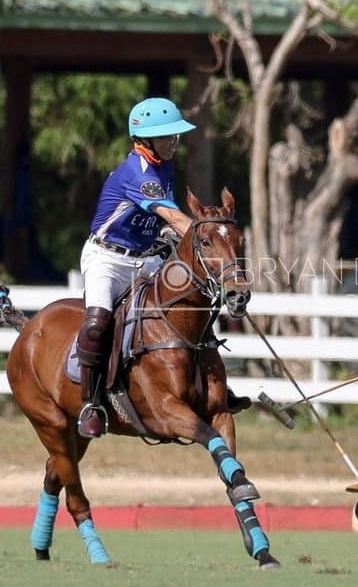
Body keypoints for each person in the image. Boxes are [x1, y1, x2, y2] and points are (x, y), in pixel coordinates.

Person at [75, 96, 249, 439]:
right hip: (108, 259)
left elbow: (160, 220)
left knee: (194, 302)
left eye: (175, 136)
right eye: (167, 137)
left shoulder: (163, 167)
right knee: (96, 324)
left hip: (146, 257)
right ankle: (92, 404)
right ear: (145, 140)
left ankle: (214, 389)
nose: (174, 142)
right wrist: (203, 236)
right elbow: (170, 214)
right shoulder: (135, 172)